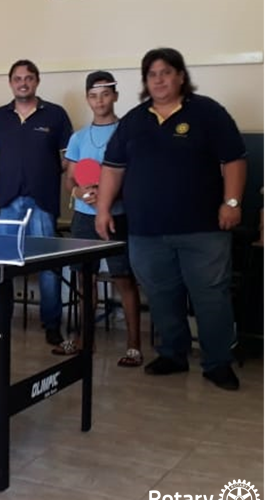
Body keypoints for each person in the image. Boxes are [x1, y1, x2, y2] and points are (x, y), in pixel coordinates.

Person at [95, 47, 246, 391]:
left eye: (166, 72)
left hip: (203, 230)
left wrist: (232, 202)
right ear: (145, 81)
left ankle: (218, 363)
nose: (159, 80)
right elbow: (113, 168)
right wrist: (103, 210)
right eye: (152, 74)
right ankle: (173, 355)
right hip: (146, 231)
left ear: (180, 76)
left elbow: (234, 160)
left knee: (211, 297)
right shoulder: (134, 120)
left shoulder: (208, 112)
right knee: (161, 296)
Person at [55, 71, 143, 366]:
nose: (100, 101)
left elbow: (133, 176)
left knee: (124, 279)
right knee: (85, 280)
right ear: (87, 99)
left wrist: (109, 197)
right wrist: (80, 192)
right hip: (83, 218)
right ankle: (84, 340)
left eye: (105, 94)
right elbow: (70, 179)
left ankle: (133, 346)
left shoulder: (127, 133)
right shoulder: (79, 137)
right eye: (93, 96)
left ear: (115, 95)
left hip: (118, 216)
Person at [0, 59, 73, 346]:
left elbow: (67, 159)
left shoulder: (56, 115)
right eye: (17, 78)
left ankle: (52, 324)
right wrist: (11, 174)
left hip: (43, 202)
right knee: (1, 264)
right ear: (10, 83)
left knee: (48, 266)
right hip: (6, 201)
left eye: (28, 78)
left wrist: (42, 174)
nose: (23, 83)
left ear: (37, 81)